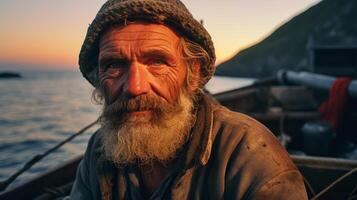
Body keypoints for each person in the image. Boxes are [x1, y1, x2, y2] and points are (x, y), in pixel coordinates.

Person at [70, 0, 308, 199]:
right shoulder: (100, 150)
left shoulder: (251, 156)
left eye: (157, 62)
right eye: (114, 65)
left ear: (192, 74)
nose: (134, 87)